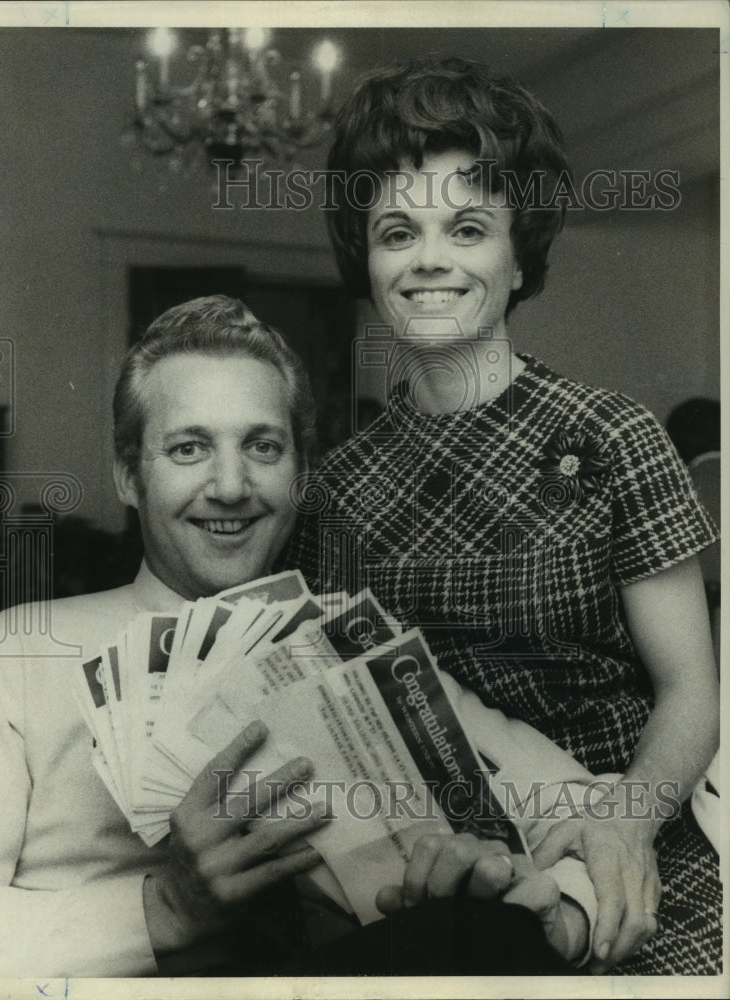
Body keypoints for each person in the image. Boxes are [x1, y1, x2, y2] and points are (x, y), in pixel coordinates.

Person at [0, 294, 618, 978]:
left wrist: (564, 921)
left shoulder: (360, 644)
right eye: (188, 447)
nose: (230, 486)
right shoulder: (11, 655)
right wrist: (164, 907)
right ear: (127, 477)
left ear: (302, 477)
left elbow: (597, 812)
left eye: (263, 447)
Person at [288, 58, 721, 975]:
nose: (430, 259)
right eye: (397, 231)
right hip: (445, 875)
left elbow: (692, 691)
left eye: (469, 228)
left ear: (519, 255)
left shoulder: (610, 433)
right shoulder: (336, 487)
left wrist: (626, 826)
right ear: (365, 262)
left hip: (633, 846)